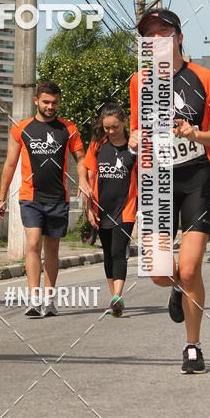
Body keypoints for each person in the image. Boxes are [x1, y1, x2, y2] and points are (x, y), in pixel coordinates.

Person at [129, 8, 210, 374]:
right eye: (150, 34)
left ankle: (192, 346)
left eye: (163, 32)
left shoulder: (203, 77)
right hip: (158, 179)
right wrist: (134, 139)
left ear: (178, 37)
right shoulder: (138, 82)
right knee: (159, 272)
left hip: (195, 179)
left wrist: (196, 134)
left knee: (189, 269)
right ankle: (176, 289)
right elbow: (137, 132)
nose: (157, 39)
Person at [0, 80, 91, 318]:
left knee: (52, 250)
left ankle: (49, 299)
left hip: (58, 197)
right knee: (33, 244)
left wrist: (84, 180)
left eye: (55, 102)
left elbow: (81, 158)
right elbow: (9, 163)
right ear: (36, 101)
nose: (50, 106)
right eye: (46, 102)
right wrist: (1, 197)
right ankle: (34, 299)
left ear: (59, 103)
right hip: (30, 197)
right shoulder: (21, 128)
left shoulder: (68, 129)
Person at [84, 103, 137, 317]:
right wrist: (89, 209)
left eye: (115, 127)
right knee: (107, 253)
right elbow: (89, 178)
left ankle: (118, 295)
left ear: (124, 123)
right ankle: (114, 299)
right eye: (107, 127)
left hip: (126, 208)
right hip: (101, 209)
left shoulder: (135, 148)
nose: (111, 131)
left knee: (118, 251)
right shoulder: (97, 146)